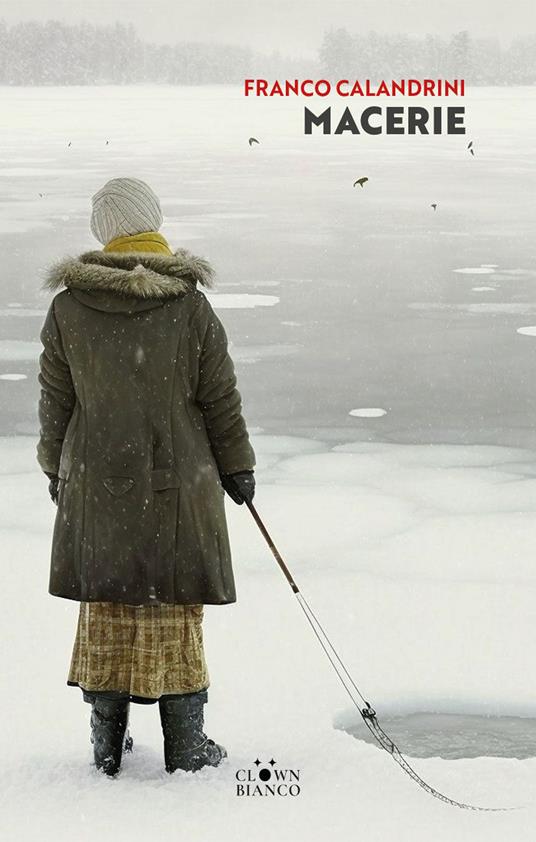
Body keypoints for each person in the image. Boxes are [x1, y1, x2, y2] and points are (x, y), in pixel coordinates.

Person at [37, 177, 256, 777]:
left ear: (104, 235)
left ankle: (105, 745)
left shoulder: (67, 308)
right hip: (174, 487)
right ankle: (186, 745)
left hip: (94, 483)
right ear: (152, 221)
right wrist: (237, 466)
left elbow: (56, 401)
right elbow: (220, 398)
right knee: (172, 605)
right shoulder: (187, 306)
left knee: (106, 607)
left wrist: (56, 467)